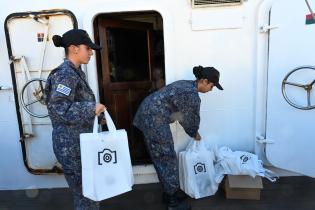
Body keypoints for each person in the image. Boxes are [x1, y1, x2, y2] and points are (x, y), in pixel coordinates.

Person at [133, 65, 223, 210]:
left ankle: (170, 192)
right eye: (212, 86)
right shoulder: (191, 95)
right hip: (153, 119)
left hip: (151, 115)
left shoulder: (187, 85)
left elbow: (182, 116)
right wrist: (195, 134)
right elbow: (189, 120)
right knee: (166, 158)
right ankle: (172, 202)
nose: (211, 89)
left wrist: (193, 131)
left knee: (164, 157)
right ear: (205, 81)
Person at [45, 29, 106, 210]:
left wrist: (97, 116)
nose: (91, 52)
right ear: (73, 48)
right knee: (86, 195)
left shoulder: (76, 72)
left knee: (89, 192)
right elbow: (58, 108)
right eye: (87, 48)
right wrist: (90, 109)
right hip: (71, 146)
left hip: (80, 143)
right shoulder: (65, 74)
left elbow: (76, 104)